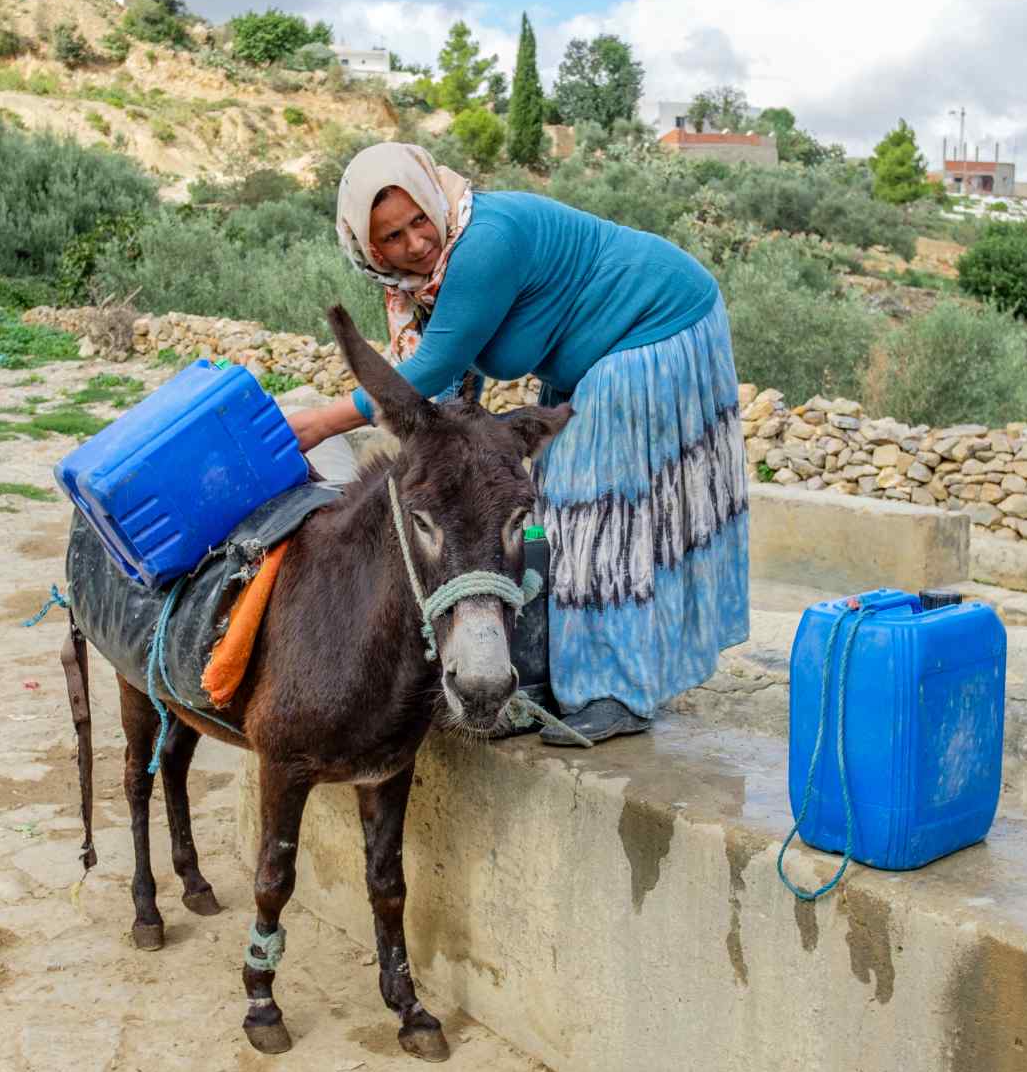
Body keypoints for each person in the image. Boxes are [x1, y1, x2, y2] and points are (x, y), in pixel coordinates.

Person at [286, 142, 749, 745]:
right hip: (594, 357)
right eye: (392, 237)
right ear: (369, 250)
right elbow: (454, 390)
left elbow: (429, 371)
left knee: (597, 511)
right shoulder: (422, 287)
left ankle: (615, 690)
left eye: (419, 220)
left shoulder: (481, 245)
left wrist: (323, 422)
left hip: (653, 329)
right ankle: (552, 671)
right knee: (544, 509)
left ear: (434, 202)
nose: (416, 243)